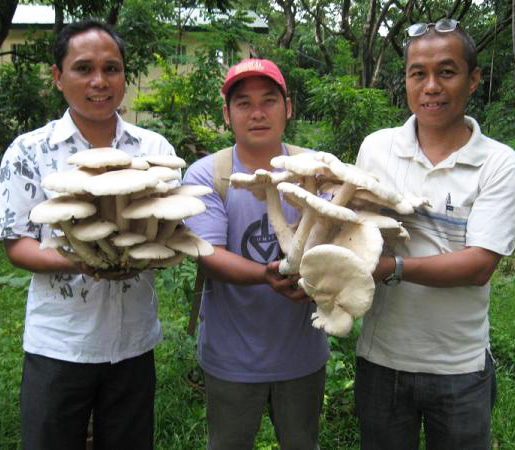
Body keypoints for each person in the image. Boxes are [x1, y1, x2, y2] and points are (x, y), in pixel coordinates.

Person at [0, 20, 177, 449]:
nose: (100, 81)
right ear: (58, 77)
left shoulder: (154, 151)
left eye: (112, 68)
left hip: (133, 341)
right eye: (83, 68)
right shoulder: (29, 150)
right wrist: (77, 260)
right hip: (60, 344)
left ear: (124, 77)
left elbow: (172, 227)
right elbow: (16, 243)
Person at [353, 19, 515, 450]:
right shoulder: (376, 148)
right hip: (381, 360)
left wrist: (393, 267)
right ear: (405, 79)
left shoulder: (499, 163)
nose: (431, 86)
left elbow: (479, 264)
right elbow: (353, 230)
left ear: (473, 79)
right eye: (417, 73)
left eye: (446, 72)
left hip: (459, 369)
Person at [183, 59, 330, 450]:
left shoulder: (317, 169)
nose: (258, 112)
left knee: (302, 443)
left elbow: (338, 237)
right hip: (231, 357)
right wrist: (266, 274)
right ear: (226, 114)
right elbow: (207, 252)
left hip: (302, 354)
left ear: (289, 107)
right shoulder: (206, 175)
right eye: (244, 103)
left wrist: (318, 276)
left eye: (269, 100)